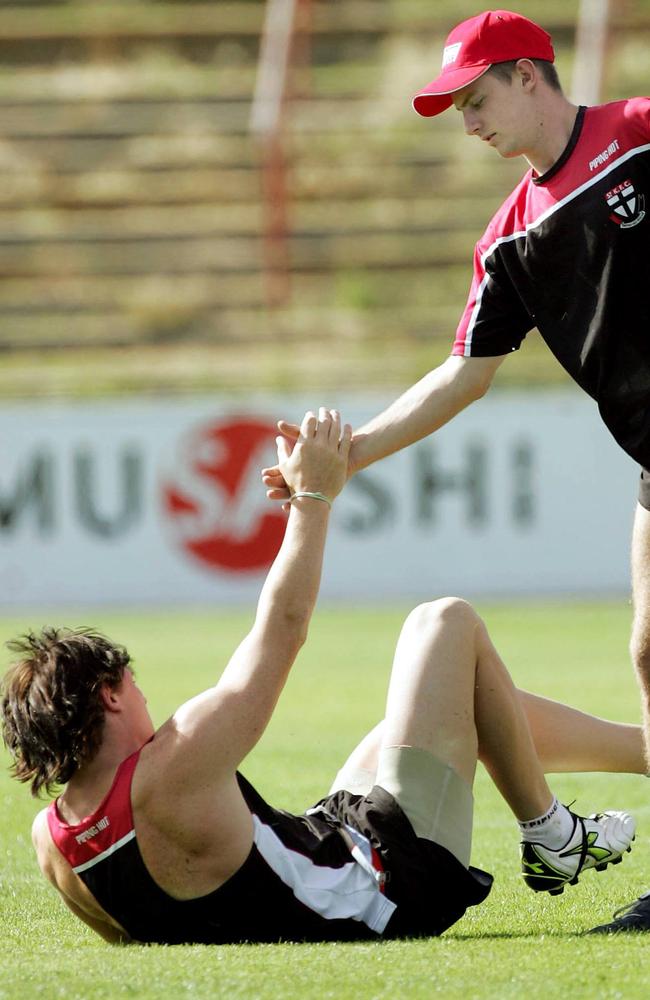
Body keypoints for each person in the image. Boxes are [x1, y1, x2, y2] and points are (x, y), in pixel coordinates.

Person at [261, 9, 650, 932]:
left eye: (477, 99)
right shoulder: (509, 238)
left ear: (529, 76)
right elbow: (463, 376)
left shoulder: (638, 133)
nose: (468, 122)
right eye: (456, 109)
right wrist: (348, 454)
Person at [0, 409, 641, 945]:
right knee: (442, 624)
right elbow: (283, 626)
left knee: (425, 714)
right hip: (391, 887)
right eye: (131, 682)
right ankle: (551, 833)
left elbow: (147, 934)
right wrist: (314, 497)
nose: (143, 692)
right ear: (110, 695)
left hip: (331, 859)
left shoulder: (53, 844)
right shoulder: (174, 763)